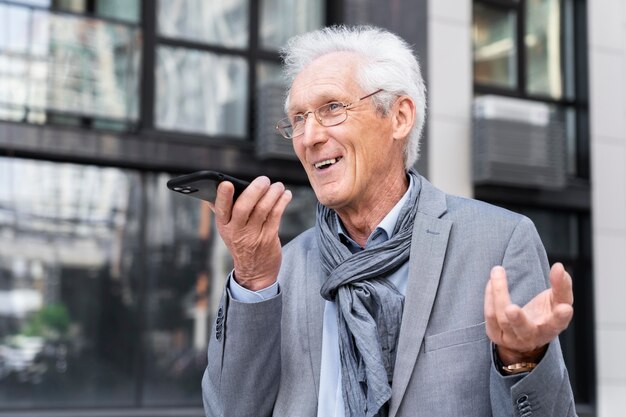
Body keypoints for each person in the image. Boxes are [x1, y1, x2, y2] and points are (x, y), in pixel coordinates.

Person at [202, 25, 576, 417]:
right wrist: (253, 280)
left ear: (399, 117)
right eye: (297, 118)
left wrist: (521, 359)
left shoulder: (499, 243)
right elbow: (229, 410)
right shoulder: (282, 271)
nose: (309, 136)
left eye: (332, 108)